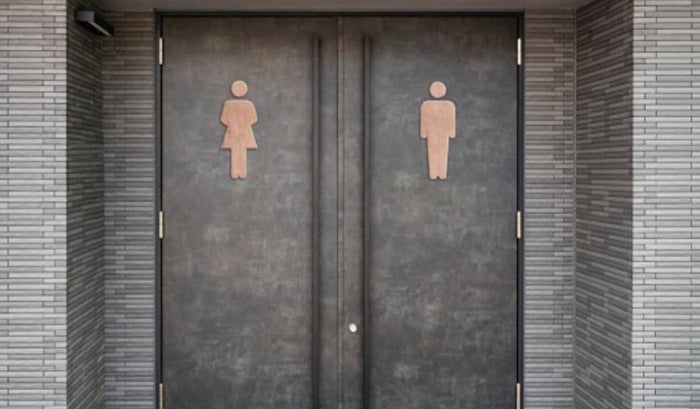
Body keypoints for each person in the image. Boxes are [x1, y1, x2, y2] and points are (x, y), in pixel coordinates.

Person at [220, 80, 258, 179]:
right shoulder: (248, 104)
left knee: (238, 151)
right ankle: (238, 173)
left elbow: (224, 118)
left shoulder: (229, 104)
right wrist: (242, 125)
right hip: (239, 132)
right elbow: (253, 118)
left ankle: (238, 173)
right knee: (238, 151)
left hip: (235, 132)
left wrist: (234, 125)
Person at [420, 81, 456, 180]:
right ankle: (436, 173)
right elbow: (424, 120)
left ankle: (439, 173)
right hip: (437, 132)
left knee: (439, 152)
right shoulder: (449, 105)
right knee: (436, 152)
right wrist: (451, 133)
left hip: (437, 133)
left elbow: (451, 121)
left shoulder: (426, 105)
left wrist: (423, 132)